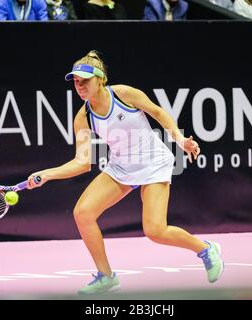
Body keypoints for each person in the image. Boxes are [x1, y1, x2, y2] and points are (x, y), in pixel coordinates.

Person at [27, 50, 224, 294]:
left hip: (153, 163)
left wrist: (180, 139)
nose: (79, 87)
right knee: (83, 213)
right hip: (120, 167)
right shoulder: (83, 117)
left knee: (155, 231)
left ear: (100, 80)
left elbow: (158, 113)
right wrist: (47, 174)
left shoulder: (124, 93)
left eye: (84, 81)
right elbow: (82, 162)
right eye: (76, 82)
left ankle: (205, 249)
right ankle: (106, 276)